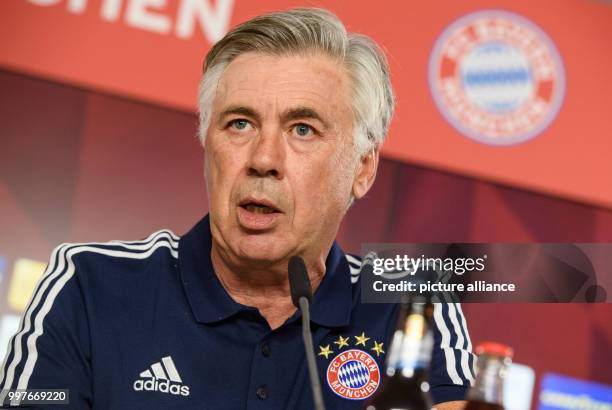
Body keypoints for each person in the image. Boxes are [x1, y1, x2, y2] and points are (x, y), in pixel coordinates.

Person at [0, 8, 475, 409]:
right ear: (208, 146)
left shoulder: (410, 306)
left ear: (363, 169)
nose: (264, 160)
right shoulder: (91, 284)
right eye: (240, 123)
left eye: (303, 129)